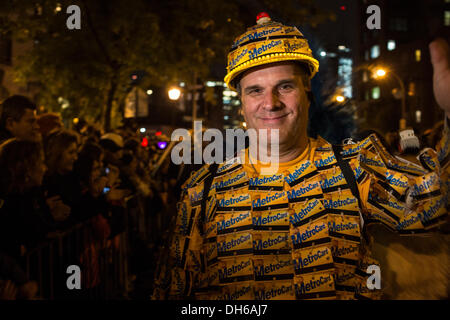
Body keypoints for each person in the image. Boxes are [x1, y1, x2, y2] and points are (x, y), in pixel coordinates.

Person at [152, 14, 450, 300]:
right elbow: (173, 291)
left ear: (307, 95)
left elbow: (436, 203)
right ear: (241, 106)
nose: (270, 103)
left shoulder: (356, 168)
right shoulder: (203, 192)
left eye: (285, 86)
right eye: (255, 90)